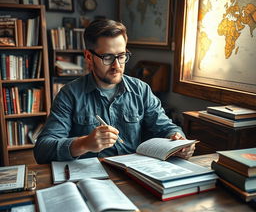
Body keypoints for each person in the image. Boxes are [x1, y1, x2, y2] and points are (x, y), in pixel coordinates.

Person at [34, 19, 195, 164]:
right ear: (89, 57)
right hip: (90, 179)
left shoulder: (141, 90)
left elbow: (165, 127)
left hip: (133, 175)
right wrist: (83, 144)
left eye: (122, 56)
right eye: (108, 57)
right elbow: (42, 150)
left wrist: (178, 141)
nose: (117, 66)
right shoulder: (69, 95)